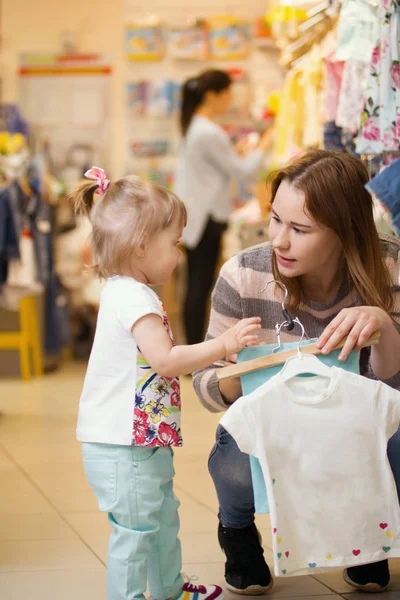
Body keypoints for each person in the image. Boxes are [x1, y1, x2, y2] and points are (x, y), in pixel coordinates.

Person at [193, 150, 400, 595]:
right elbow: (205, 389)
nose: (280, 241)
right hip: (273, 431)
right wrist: (248, 370)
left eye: (300, 229)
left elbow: (395, 396)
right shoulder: (245, 273)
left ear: (346, 232)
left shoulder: (390, 267)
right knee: (235, 443)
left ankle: (366, 535)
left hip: (356, 432)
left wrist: (384, 327)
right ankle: (236, 530)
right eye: (275, 220)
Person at [71, 166, 262, 600]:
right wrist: (223, 343)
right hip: (125, 446)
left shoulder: (124, 290)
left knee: (161, 517)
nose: (179, 253)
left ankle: (170, 588)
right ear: (140, 246)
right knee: (136, 531)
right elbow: (166, 362)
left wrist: (219, 351)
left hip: (138, 441)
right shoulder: (135, 298)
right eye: (173, 243)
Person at [175, 69, 273, 346]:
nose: (230, 99)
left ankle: (193, 347)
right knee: (199, 286)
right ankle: (194, 349)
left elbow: (220, 167)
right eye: (228, 92)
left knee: (197, 285)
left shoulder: (197, 128)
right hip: (206, 218)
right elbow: (242, 171)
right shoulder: (207, 131)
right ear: (212, 95)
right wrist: (264, 144)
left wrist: (238, 152)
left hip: (200, 217)